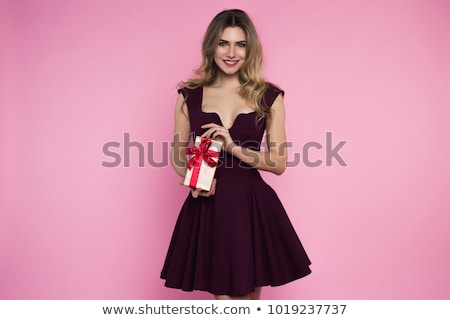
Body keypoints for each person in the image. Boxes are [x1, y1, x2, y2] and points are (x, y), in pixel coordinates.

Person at [160, 9, 311, 300]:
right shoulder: (189, 95)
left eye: (240, 44)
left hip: (250, 206)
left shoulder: (269, 96)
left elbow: (278, 164)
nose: (231, 52)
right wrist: (196, 181)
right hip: (209, 207)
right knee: (226, 301)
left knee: (246, 303)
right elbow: (179, 158)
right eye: (223, 43)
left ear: (250, 48)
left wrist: (233, 148)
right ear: (211, 47)